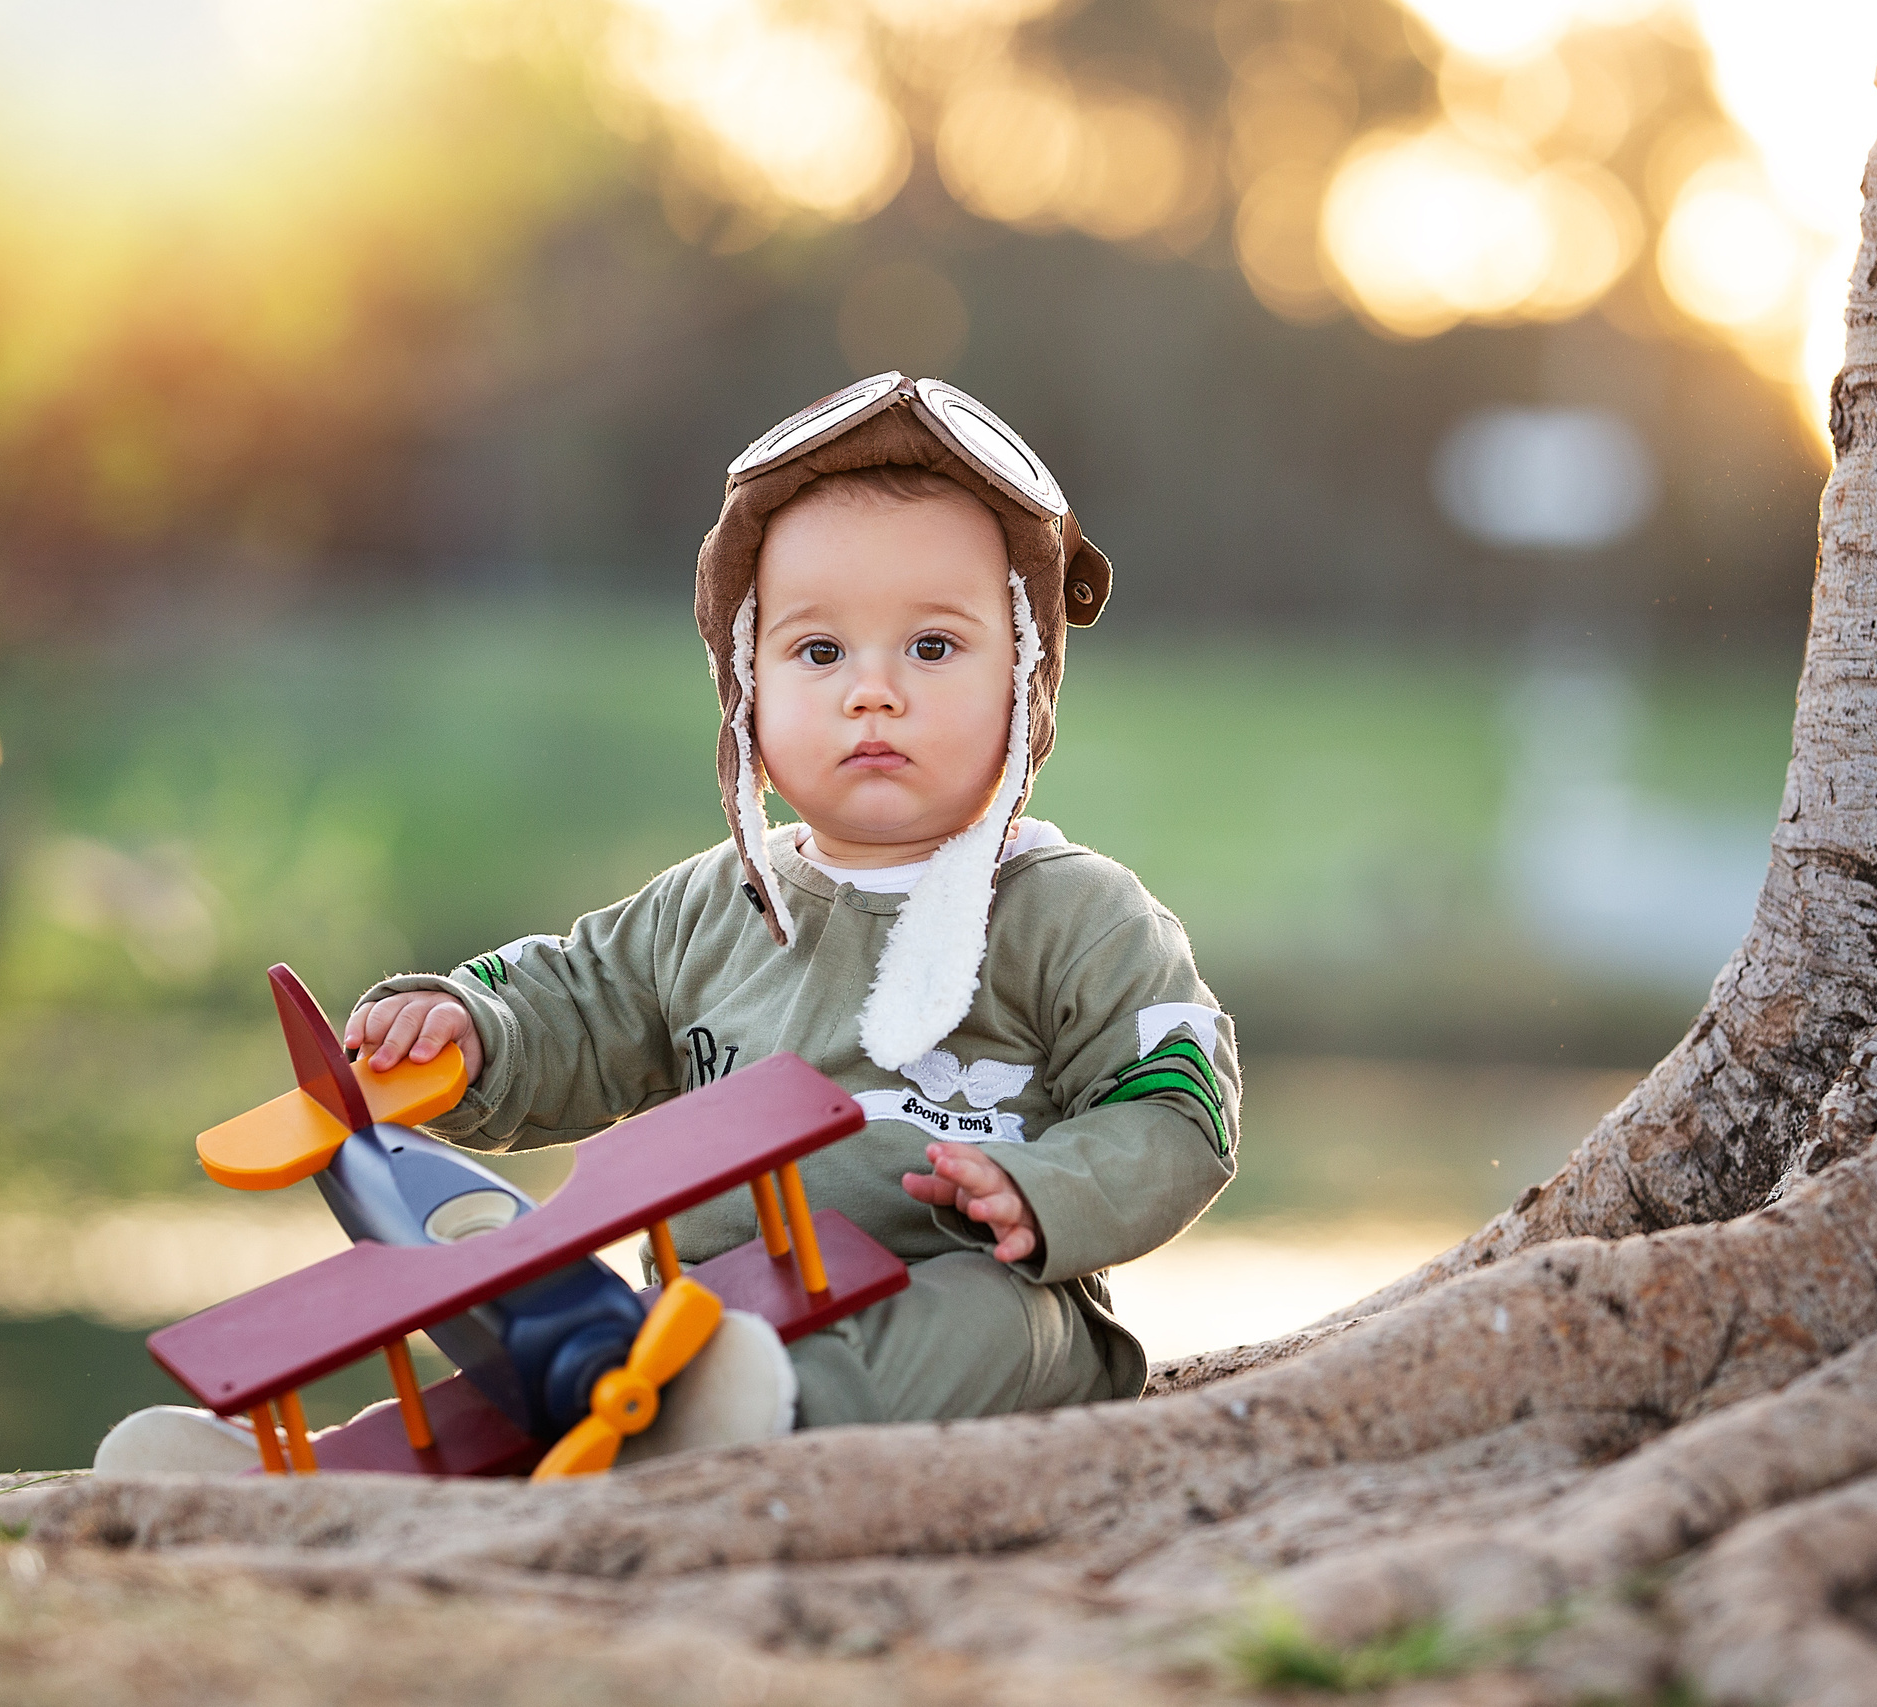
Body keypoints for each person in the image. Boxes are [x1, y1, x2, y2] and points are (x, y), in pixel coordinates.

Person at [94, 374, 1237, 1475]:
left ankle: (764, 1421)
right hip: (709, 1321)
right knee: (577, 1330)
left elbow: (1178, 1106)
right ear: (748, 690)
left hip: (970, 1294)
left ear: (1026, 678)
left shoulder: (1071, 910)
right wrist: (472, 1024)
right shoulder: (713, 903)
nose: (871, 691)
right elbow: (579, 998)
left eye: (932, 647)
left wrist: (1046, 1193)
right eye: (818, 651)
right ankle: (298, 1469)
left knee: (988, 1319)